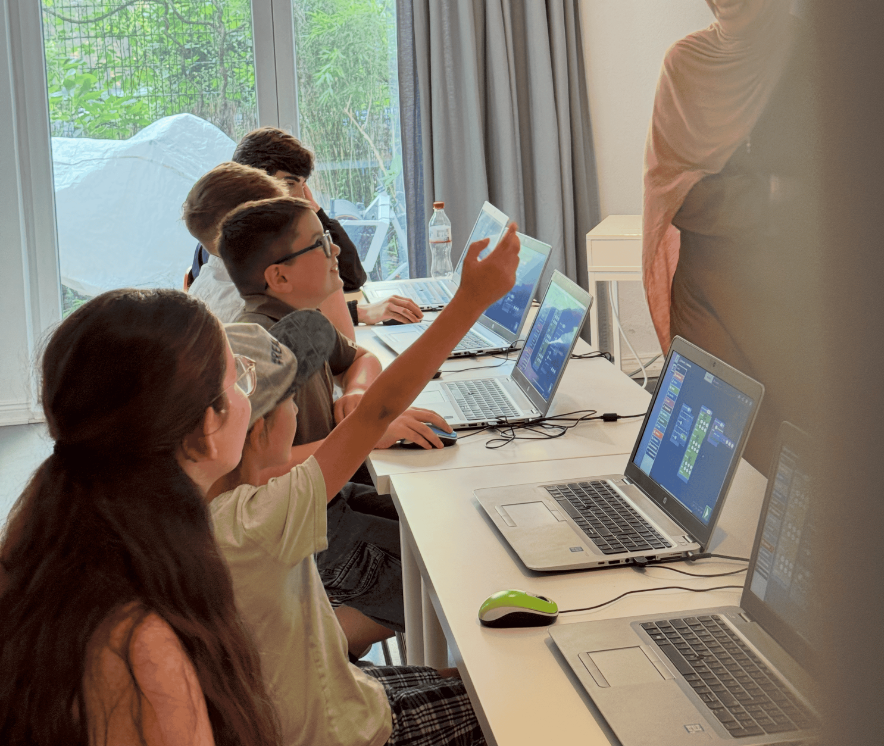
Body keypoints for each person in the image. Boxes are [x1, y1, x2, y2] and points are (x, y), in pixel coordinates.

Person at [208, 221, 520, 746]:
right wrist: (471, 300)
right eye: (289, 400)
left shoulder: (208, 506)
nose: (300, 405)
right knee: (515, 699)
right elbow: (378, 410)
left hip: (331, 699)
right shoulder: (257, 520)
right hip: (346, 732)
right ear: (256, 432)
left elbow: (368, 395)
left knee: (469, 678)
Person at [0, 288, 281, 746]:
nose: (245, 396)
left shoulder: (41, 552)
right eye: (237, 379)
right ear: (207, 428)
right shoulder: (140, 650)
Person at [217, 195, 450, 656]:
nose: (336, 249)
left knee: (437, 526)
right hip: (301, 524)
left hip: (332, 498)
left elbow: (361, 357)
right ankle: (303, 657)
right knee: (440, 576)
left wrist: (356, 395)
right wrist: (360, 435)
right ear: (279, 277)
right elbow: (254, 473)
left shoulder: (308, 324)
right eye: (320, 243)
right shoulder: (258, 353)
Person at [642, 0, 811, 471]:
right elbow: (675, 193)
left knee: (794, 469)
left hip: (793, 305)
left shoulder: (812, 59)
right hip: (708, 302)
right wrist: (772, 196)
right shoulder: (684, 64)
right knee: (707, 466)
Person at [183, 161, 357, 339]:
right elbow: (346, 347)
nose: (334, 249)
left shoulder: (208, 281)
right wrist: (324, 270)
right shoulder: (260, 318)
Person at [188, 126, 368, 296]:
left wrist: (316, 211)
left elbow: (351, 277)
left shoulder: (271, 232)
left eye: (303, 185)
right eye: (289, 183)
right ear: (256, 183)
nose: (301, 196)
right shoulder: (234, 244)